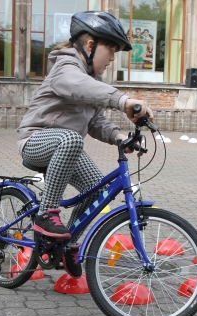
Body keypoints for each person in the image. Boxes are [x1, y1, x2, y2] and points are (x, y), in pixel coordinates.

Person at [16, 11, 152, 278]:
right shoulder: (65, 68)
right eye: (110, 51)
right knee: (70, 137)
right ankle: (46, 214)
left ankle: (68, 244)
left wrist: (119, 138)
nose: (112, 59)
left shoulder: (92, 82)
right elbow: (77, 86)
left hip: (68, 148)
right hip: (35, 140)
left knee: (95, 191)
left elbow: (95, 121)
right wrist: (123, 101)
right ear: (91, 46)